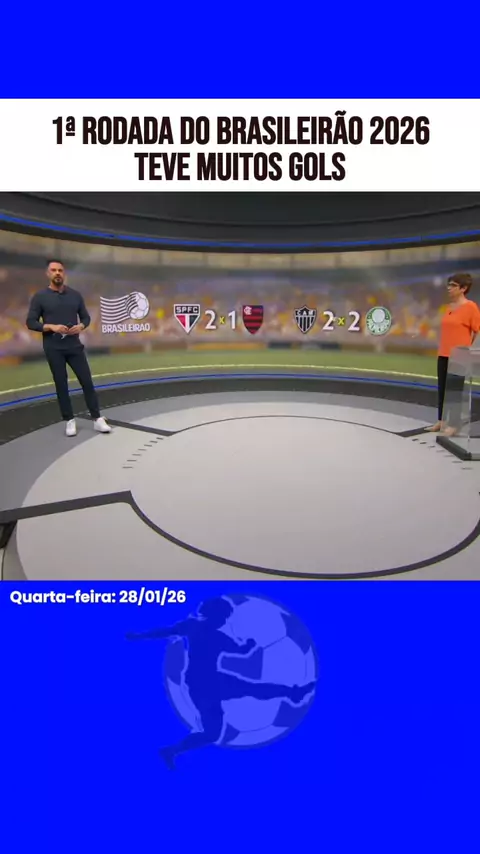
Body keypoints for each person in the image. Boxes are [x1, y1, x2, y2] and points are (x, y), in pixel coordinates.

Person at [127, 597, 316, 769]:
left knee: (244, 698)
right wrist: (140, 635)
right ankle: (293, 693)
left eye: (226, 618)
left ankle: (171, 750)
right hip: (202, 684)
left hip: (210, 680)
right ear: (213, 614)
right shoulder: (198, 628)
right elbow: (167, 631)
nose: (225, 621)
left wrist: (248, 646)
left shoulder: (208, 632)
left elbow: (240, 651)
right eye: (224, 616)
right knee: (239, 704)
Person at [26, 259, 111, 437]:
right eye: (53, 270)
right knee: (61, 384)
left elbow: (86, 318)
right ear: (48, 274)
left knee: (87, 382)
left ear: (64, 273)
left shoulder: (75, 295)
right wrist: (51, 327)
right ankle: (69, 420)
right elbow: (31, 322)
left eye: (60, 270)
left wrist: (81, 326)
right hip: (53, 348)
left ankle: (97, 418)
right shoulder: (40, 297)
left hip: (74, 346)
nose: (57, 273)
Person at [426, 273, 480, 436]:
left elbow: (477, 330)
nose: (449, 288)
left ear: (463, 288)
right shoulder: (449, 307)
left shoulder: (470, 307)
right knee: (442, 388)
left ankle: (455, 424)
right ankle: (441, 421)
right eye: (448, 285)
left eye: (453, 285)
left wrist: (469, 349)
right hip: (443, 353)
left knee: (455, 390)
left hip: (460, 355)